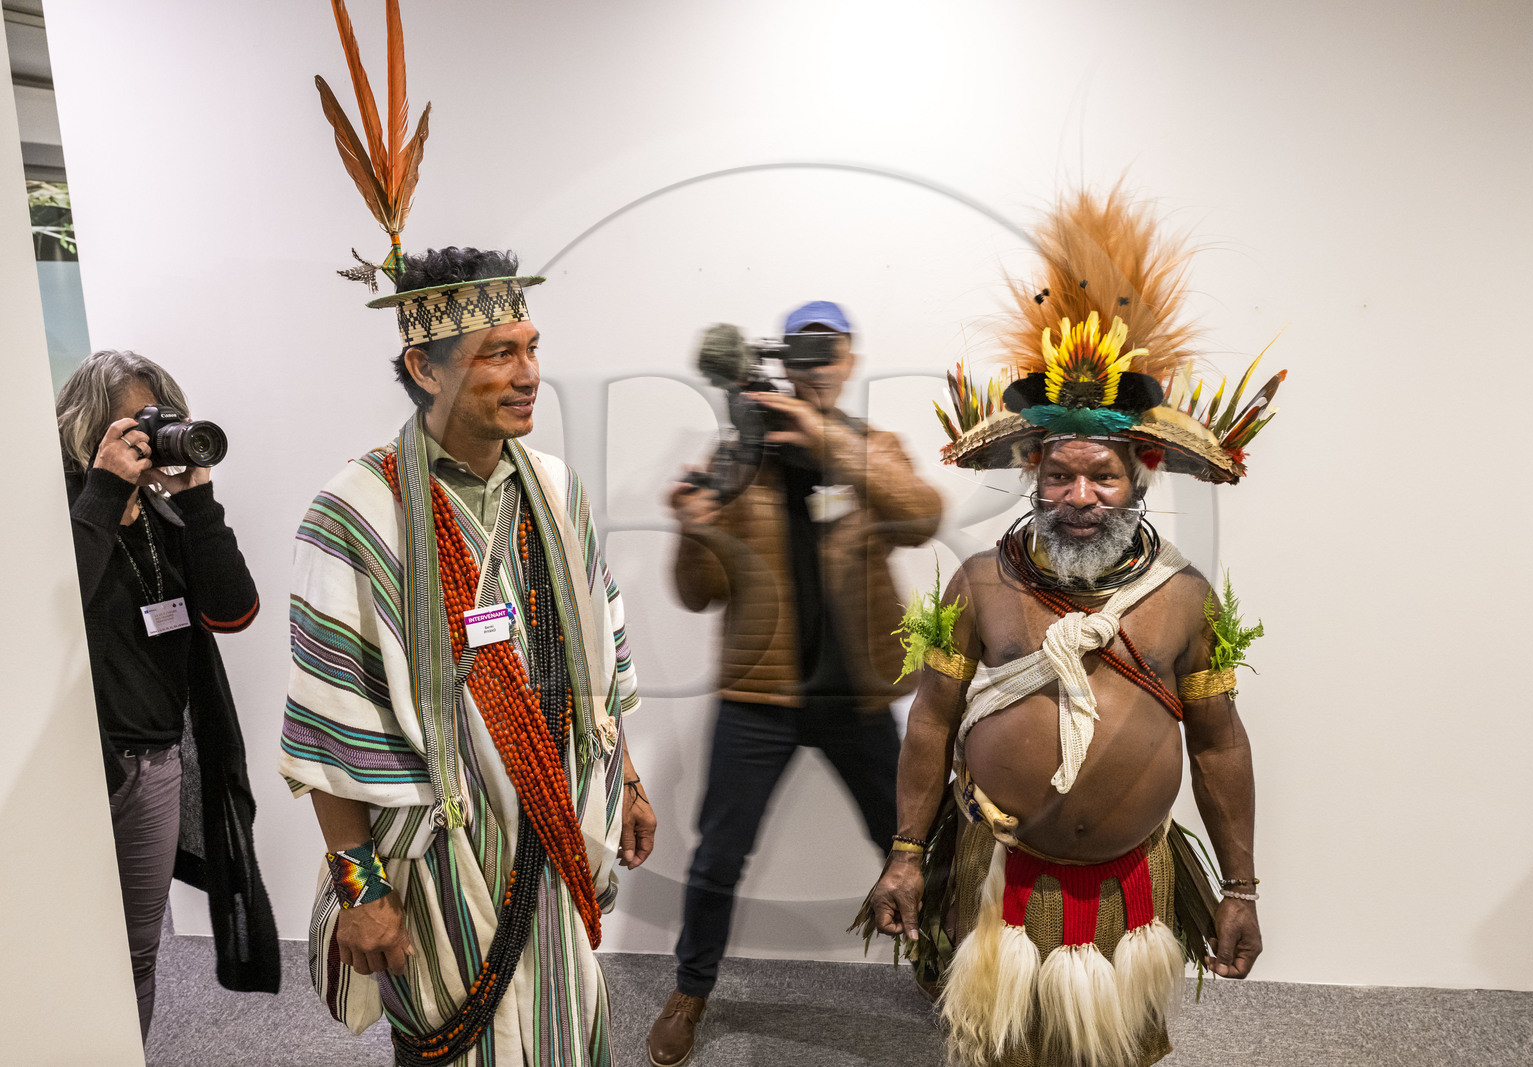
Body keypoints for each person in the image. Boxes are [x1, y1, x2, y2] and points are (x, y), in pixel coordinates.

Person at [862, 190, 1282, 1067]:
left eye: (1104, 478)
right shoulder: (982, 583)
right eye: (1060, 476)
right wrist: (907, 853)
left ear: (1141, 477)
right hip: (1003, 869)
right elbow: (932, 721)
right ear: (1034, 476)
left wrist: (1240, 887)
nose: (1081, 498)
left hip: (1136, 880)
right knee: (1004, 1048)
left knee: (1120, 1051)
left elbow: (1217, 742)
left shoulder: (1184, 598)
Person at [279, 245, 655, 1066]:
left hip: (557, 821)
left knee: (562, 1022)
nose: (529, 375)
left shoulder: (556, 488)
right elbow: (328, 724)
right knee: (457, 1040)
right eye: (499, 353)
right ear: (426, 366)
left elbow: (602, 642)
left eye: (532, 348)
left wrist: (625, 778)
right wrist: (360, 889)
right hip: (442, 848)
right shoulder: (357, 511)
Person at [648, 301, 944, 1066]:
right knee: (719, 855)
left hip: (860, 694)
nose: (817, 366)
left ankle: (947, 969)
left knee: (907, 841)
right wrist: (692, 524)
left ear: (848, 360)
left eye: (831, 351)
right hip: (758, 696)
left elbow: (921, 514)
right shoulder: (738, 457)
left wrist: (827, 443)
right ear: (782, 359)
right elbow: (696, 590)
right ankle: (690, 990)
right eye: (803, 352)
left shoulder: (873, 448)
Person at [57, 348, 279, 1041]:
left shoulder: (167, 517)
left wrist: (196, 496)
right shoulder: (55, 512)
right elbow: (49, 620)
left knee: (136, 947)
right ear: (90, 427)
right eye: (136, 424)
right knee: (59, 948)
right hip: (71, 770)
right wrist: (100, 490)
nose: (154, 438)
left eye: (164, 421)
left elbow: (235, 609)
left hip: (154, 764)